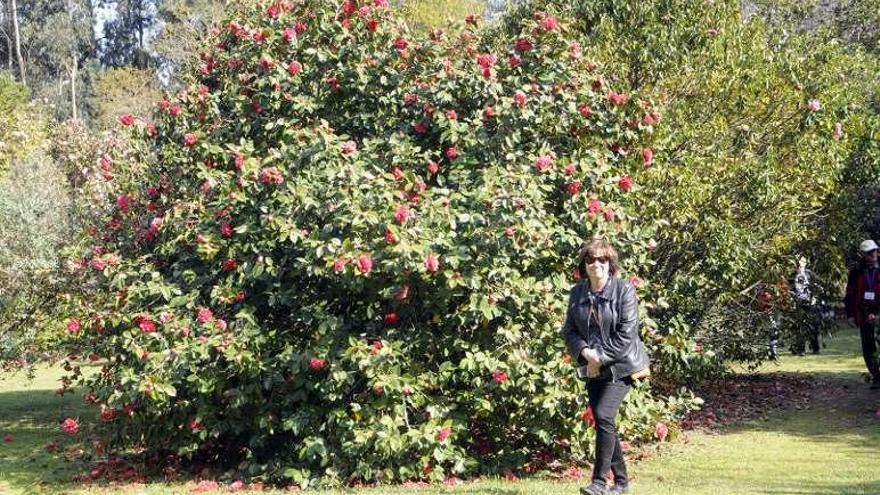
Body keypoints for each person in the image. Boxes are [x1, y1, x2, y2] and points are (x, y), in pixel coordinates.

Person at [561, 239, 650, 495]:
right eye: (590, 260)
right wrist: (585, 353)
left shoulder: (624, 291)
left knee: (603, 415)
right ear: (584, 265)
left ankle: (599, 482)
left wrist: (597, 358)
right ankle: (621, 482)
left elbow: (626, 335)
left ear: (610, 264)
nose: (596, 264)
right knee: (605, 422)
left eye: (602, 259)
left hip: (622, 366)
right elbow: (569, 331)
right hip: (592, 366)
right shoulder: (577, 292)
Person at [844, 239, 880, 389]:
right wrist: (850, 314)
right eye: (869, 254)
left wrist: (876, 313)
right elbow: (850, 294)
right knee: (868, 345)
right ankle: (876, 376)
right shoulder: (856, 272)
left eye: (875, 252)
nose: (873, 256)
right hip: (863, 313)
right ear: (864, 255)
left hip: (878, 312)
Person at [790, 256, 820, 355]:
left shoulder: (810, 274)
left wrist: (814, 298)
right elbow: (789, 289)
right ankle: (801, 349)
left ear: (805, 263)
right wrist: (792, 300)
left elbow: (817, 287)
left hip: (810, 303)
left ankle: (815, 348)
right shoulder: (792, 275)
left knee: (813, 326)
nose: (800, 264)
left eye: (802, 262)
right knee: (800, 327)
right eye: (798, 262)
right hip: (798, 304)